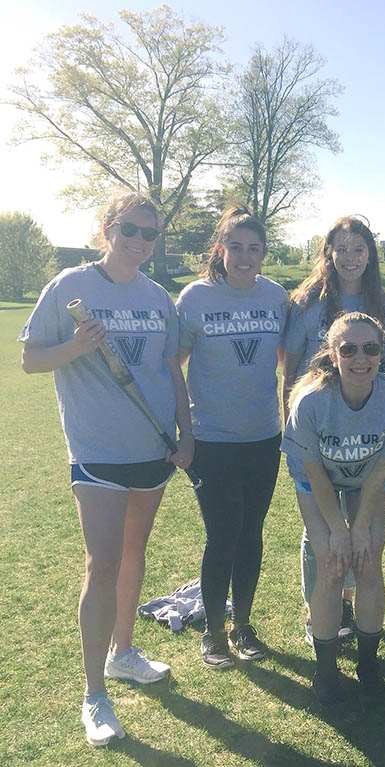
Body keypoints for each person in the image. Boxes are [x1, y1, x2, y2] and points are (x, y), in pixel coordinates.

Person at [19, 191, 193, 747]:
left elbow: (171, 369)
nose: (140, 241)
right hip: (97, 450)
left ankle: (124, 653)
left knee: (134, 554)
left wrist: (185, 433)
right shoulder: (71, 286)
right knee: (102, 562)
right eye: (130, 230)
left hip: (154, 447)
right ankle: (95, 694)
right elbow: (30, 359)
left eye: (150, 233)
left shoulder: (157, 295)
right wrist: (74, 346)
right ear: (108, 229)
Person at [282, 312, 385, 704]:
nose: (361, 358)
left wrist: (359, 529)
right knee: (331, 561)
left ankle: (368, 663)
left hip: (366, 478)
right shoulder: (310, 402)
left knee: (369, 557)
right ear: (333, 354)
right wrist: (339, 529)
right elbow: (314, 475)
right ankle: (326, 670)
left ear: (382, 352)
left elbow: (381, 468)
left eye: (370, 348)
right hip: (316, 478)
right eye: (349, 349)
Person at [175, 206, 288, 669]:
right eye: (235, 247)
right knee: (223, 534)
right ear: (220, 250)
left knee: (252, 535)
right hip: (211, 439)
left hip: (263, 437)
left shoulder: (277, 296)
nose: (245, 257)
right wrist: (184, 431)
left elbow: (288, 360)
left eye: (254, 248)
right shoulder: (195, 298)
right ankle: (213, 632)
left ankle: (243, 624)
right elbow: (172, 367)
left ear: (264, 253)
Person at [282, 216, 385, 645]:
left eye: (359, 249)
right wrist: (291, 427)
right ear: (328, 253)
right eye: (342, 249)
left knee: (360, 525)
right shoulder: (309, 300)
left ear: (370, 254)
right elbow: (290, 364)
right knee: (323, 530)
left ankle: (346, 604)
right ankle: (320, 609)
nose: (350, 258)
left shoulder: (381, 301)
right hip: (316, 431)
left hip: (366, 432)